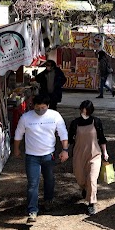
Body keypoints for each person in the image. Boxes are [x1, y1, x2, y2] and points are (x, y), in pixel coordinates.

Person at [12, 94, 69, 223]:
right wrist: (16, 149)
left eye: (43, 107)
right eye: (38, 107)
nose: (40, 110)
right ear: (33, 106)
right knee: (33, 183)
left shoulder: (55, 116)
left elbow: (63, 133)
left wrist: (65, 150)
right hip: (32, 156)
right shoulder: (26, 118)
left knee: (49, 179)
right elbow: (18, 134)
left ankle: (48, 200)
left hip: (49, 155)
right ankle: (32, 210)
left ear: (48, 106)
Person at [68, 100, 109, 215]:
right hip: (79, 154)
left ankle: (91, 203)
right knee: (80, 178)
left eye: (86, 111)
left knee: (92, 179)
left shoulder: (96, 122)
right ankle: (86, 189)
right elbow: (70, 139)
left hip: (94, 154)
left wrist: (104, 152)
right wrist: (64, 150)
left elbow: (102, 138)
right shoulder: (75, 123)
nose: (83, 112)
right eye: (82, 110)